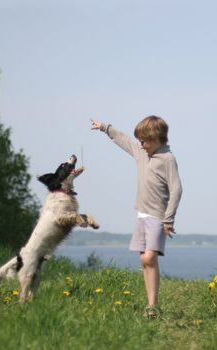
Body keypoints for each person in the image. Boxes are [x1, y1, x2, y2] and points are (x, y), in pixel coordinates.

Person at [90, 116, 182, 318]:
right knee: (144, 260)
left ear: (158, 138)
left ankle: (153, 303)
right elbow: (124, 140)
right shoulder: (141, 153)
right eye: (139, 140)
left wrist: (169, 219)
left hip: (158, 216)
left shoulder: (167, 159)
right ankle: (151, 306)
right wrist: (105, 128)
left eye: (144, 141)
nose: (141, 144)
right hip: (141, 214)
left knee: (150, 257)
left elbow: (176, 190)